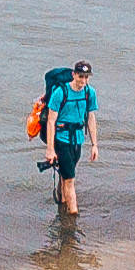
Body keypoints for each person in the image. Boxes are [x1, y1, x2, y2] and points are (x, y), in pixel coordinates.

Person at [44, 59, 97, 215]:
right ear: (73, 75)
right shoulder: (60, 92)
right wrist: (50, 149)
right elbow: (51, 121)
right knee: (70, 179)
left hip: (78, 140)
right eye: (80, 76)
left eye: (86, 77)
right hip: (62, 139)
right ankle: (73, 216)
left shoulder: (89, 93)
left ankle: (62, 205)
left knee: (66, 174)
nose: (83, 81)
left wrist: (94, 144)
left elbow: (91, 118)